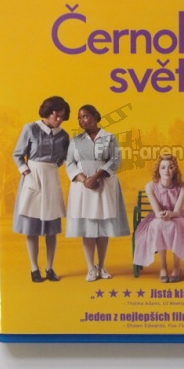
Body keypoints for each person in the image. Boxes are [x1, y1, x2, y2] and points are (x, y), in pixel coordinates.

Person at [66, 105, 131, 281]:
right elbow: (70, 163)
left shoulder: (109, 138)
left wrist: (96, 176)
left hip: (104, 185)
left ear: (95, 116)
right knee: (88, 228)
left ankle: (101, 266)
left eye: (85, 116)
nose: (81, 120)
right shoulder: (75, 140)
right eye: (79, 118)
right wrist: (83, 179)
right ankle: (91, 268)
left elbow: (116, 159)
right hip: (83, 188)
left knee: (102, 228)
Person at [12, 96, 70, 283]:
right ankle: (34, 268)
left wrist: (51, 169)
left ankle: (50, 268)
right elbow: (18, 155)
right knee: (32, 227)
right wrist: (27, 173)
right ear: (47, 113)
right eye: (56, 115)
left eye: (62, 116)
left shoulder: (64, 136)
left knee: (52, 228)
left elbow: (64, 158)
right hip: (32, 177)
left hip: (51, 178)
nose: (59, 119)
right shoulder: (31, 129)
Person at [133, 155, 184, 282]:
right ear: (158, 170)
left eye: (170, 167)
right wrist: (162, 215)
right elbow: (157, 211)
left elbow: (178, 211)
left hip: (177, 216)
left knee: (176, 225)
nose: (166, 171)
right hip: (158, 217)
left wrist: (171, 214)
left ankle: (177, 266)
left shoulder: (183, 186)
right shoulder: (150, 186)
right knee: (159, 225)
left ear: (175, 170)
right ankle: (163, 266)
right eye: (163, 167)